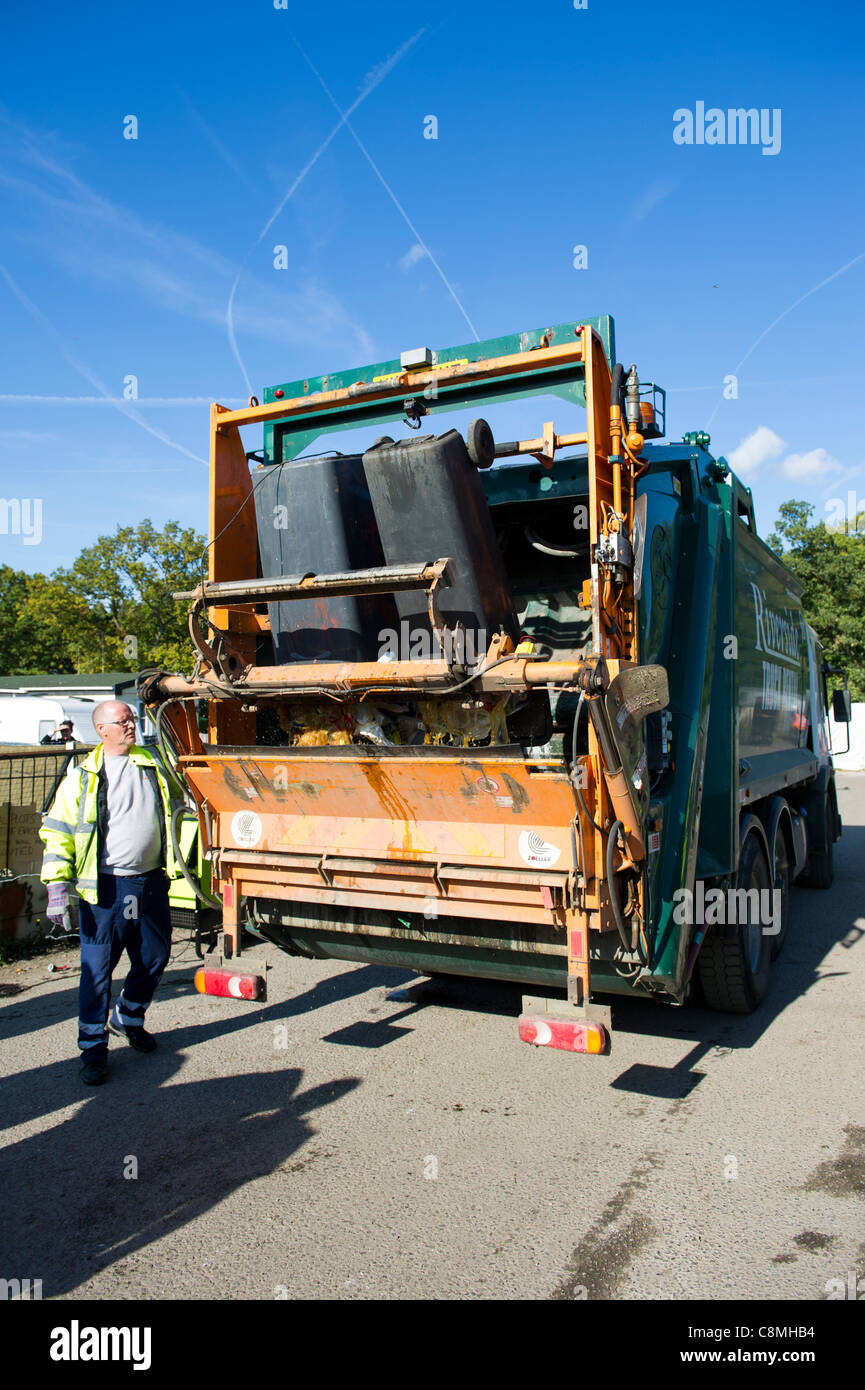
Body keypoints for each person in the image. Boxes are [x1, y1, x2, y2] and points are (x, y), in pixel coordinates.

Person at [39, 700, 184, 1086]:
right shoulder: (83, 777)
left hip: (150, 881)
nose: (131, 726)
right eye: (123, 722)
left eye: (132, 719)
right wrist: (57, 884)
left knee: (155, 956)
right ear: (102, 730)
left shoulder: (152, 763)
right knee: (98, 972)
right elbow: (57, 831)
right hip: (106, 889)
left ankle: (129, 1017)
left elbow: (181, 803)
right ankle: (93, 1051)